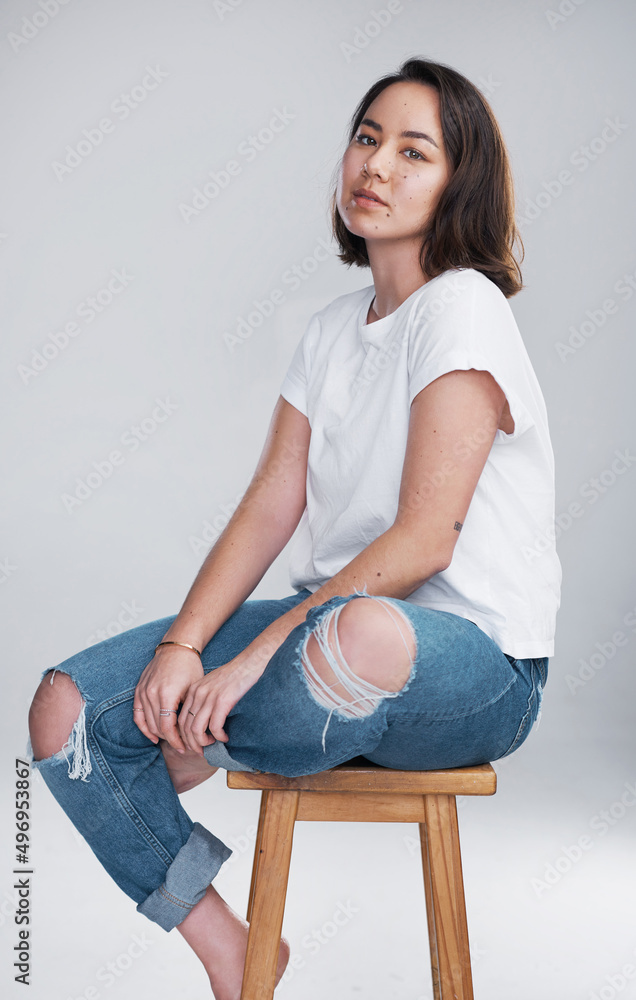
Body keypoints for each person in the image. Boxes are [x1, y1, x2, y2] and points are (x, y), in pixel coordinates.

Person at [27, 57, 561, 999]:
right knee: (66, 713)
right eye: (367, 138)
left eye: (414, 151)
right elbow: (272, 501)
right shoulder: (328, 332)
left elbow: (425, 541)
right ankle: (234, 953)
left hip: (477, 667)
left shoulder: (463, 309)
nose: (378, 166)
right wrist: (187, 646)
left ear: (458, 182)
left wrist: (248, 661)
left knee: (353, 635)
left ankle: (204, 729)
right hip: (324, 639)